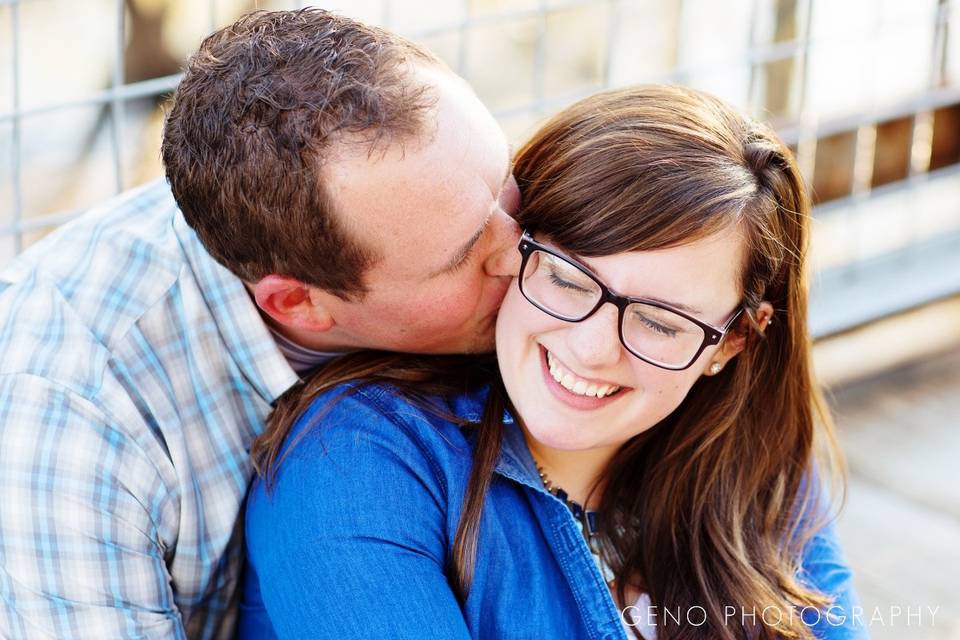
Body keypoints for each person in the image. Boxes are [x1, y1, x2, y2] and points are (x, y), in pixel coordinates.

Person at [242, 85, 867, 640]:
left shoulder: (754, 457)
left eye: (660, 321)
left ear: (730, 346)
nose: (593, 348)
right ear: (514, 248)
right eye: (568, 279)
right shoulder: (356, 458)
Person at [0, 9, 518, 639]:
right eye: (463, 255)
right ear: (299, 305)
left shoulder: (408, 210)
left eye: (504, 184)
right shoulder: (77, 419)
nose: (523, 252)